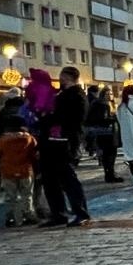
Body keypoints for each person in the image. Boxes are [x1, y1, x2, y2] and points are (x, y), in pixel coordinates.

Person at [40, 67, 91, 226]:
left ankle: (80, 212)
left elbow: (74, 120)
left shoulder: (76, 95)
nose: (60, 80)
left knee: (68, 178)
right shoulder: (61, 95)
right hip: (50, 141)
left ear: (67, 77)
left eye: (62, 77)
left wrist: (50, 117)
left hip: (64, 141)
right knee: (50, 180)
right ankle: (58, 213)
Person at [0, 113, 38, 227]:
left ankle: (10, 218)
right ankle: (28, 215)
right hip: (25, 170)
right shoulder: (29, 138)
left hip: (8, 171)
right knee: (27, 194)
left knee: (10, 196)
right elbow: (34, 153)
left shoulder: (2, 140)